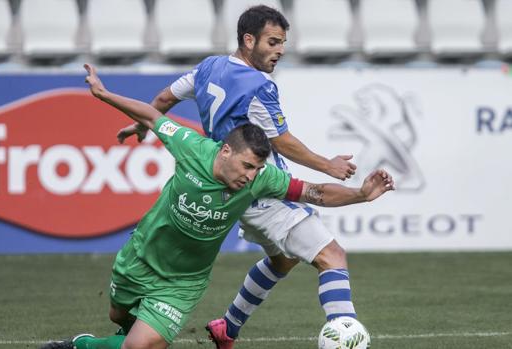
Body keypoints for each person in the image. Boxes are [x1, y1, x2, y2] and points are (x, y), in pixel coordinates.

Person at [39, 64, 394, 349]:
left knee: (141, 346)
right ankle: (96, 342)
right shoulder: (192, 147)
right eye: (245, 166)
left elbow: (313, 192)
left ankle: (84, 346)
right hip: (141, 256)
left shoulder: (261, 179)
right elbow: (151, 114)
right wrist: (103, 95)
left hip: (184, 281)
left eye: (257, 168)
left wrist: (361, 195)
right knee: (119, 318)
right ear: (225, 151)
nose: (250, 176)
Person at [116, 5, 364, 348]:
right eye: (273, 42)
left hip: (231, 190)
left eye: (282, 43)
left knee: (283, 259)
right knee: (332, 256)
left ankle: (227, 328)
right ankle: (345, 336)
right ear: (249, 40)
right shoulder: (260, 85)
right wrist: (328, 165)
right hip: (262, 188)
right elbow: (282, 141)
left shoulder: (209, 67)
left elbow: (163, 98)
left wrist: (140, 125)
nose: (279, 51)